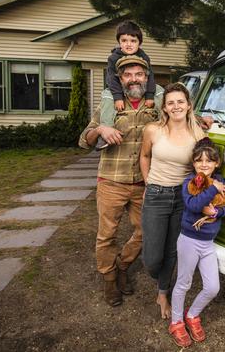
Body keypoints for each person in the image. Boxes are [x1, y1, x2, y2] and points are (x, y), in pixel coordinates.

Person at [78, 55, 158, 307]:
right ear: (120, 79)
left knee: (147, 232)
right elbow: (83, 140)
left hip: (143, 184)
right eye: (128, 74)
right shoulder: (109, 106)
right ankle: (110, 279)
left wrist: (202, 121)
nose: (134, 79)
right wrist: (101, 130)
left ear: (146, 77)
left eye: (138, 74)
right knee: (106, 235)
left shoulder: (156, 107)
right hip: (111, 182)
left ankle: (122, 265)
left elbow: (181, 119)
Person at [139, 83, 206, 319]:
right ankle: (159, 278)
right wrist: (148, 183)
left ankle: (162, 293)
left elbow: (204, 165)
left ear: (188, 105)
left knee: (172, 251)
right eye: (171, 103)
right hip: (156, 195)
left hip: (182, 197)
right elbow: (145, 156)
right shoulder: (153, 130)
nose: (176, 106)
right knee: (152, 259)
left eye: (180, 101)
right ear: (165, 108)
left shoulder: (199, 134)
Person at [168, 138, 225, 347]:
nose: (204, 164)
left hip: (208, 243)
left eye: (208, 160)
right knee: (184, 283)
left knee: (213, 287)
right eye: (199, 161)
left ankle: (192, 314)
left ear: (217, 163)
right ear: (193, 164)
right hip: (189, 240)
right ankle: (176, 322)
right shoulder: (190, 182)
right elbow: (193, 204)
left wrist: (218, 212)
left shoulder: (221, 180)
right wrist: (213, 188)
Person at [96, 20, 157, 150]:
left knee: (160, 92)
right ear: (119, 42)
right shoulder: (113, 58)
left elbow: (150, 76)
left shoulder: (144, 57)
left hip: (140, 88)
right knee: (107, 97)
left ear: (139, 43)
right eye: (124, 41)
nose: (128, 44)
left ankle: (167, 132)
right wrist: (117, 97)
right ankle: (105, 133)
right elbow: (111, 79)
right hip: (117, 88)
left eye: (133, 41)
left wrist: (150, 95)